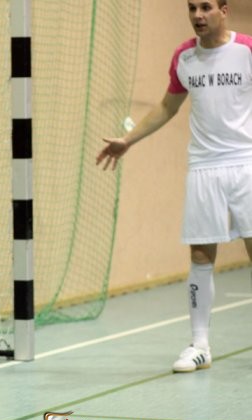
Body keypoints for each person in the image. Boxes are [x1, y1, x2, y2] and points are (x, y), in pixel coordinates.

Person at [96, 0, 252, 372]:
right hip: (203, 167)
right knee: (200, 256)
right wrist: (128, 140)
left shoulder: (246, 50)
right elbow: (168, 107)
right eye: (192, 8)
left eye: (206, 7)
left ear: (223, 10)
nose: (197, 15)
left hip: (246, 163)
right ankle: (200, 345)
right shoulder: (184, 57)